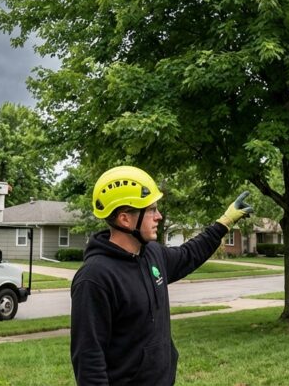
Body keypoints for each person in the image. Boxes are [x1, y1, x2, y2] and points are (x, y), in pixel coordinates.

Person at [70, 165, 253, 385]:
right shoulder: (95, 278)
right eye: (151, 210)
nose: (159, 216)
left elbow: (189, 254)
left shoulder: (152, 254)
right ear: (125, 219)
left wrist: (224, 222)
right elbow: (89, 358)